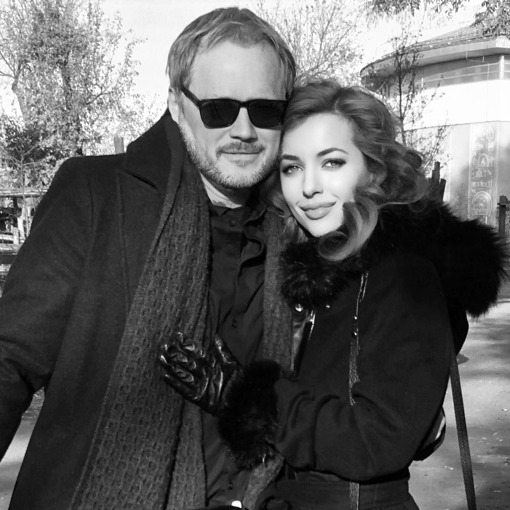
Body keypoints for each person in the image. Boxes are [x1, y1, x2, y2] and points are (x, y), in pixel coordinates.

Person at [159, 80, 508, 509]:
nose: (308, 187)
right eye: (291, 168)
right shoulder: (321, 275)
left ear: (374, 171)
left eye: (332, 162)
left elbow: (376, 441)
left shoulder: (402, 276)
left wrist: (248, 396)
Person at [0, 8, 297, 509]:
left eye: (266, 110)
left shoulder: (300, 231)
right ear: (177, 105)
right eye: (219, 109)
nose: (244, 130)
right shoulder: (98, 196)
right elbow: (10, 359)